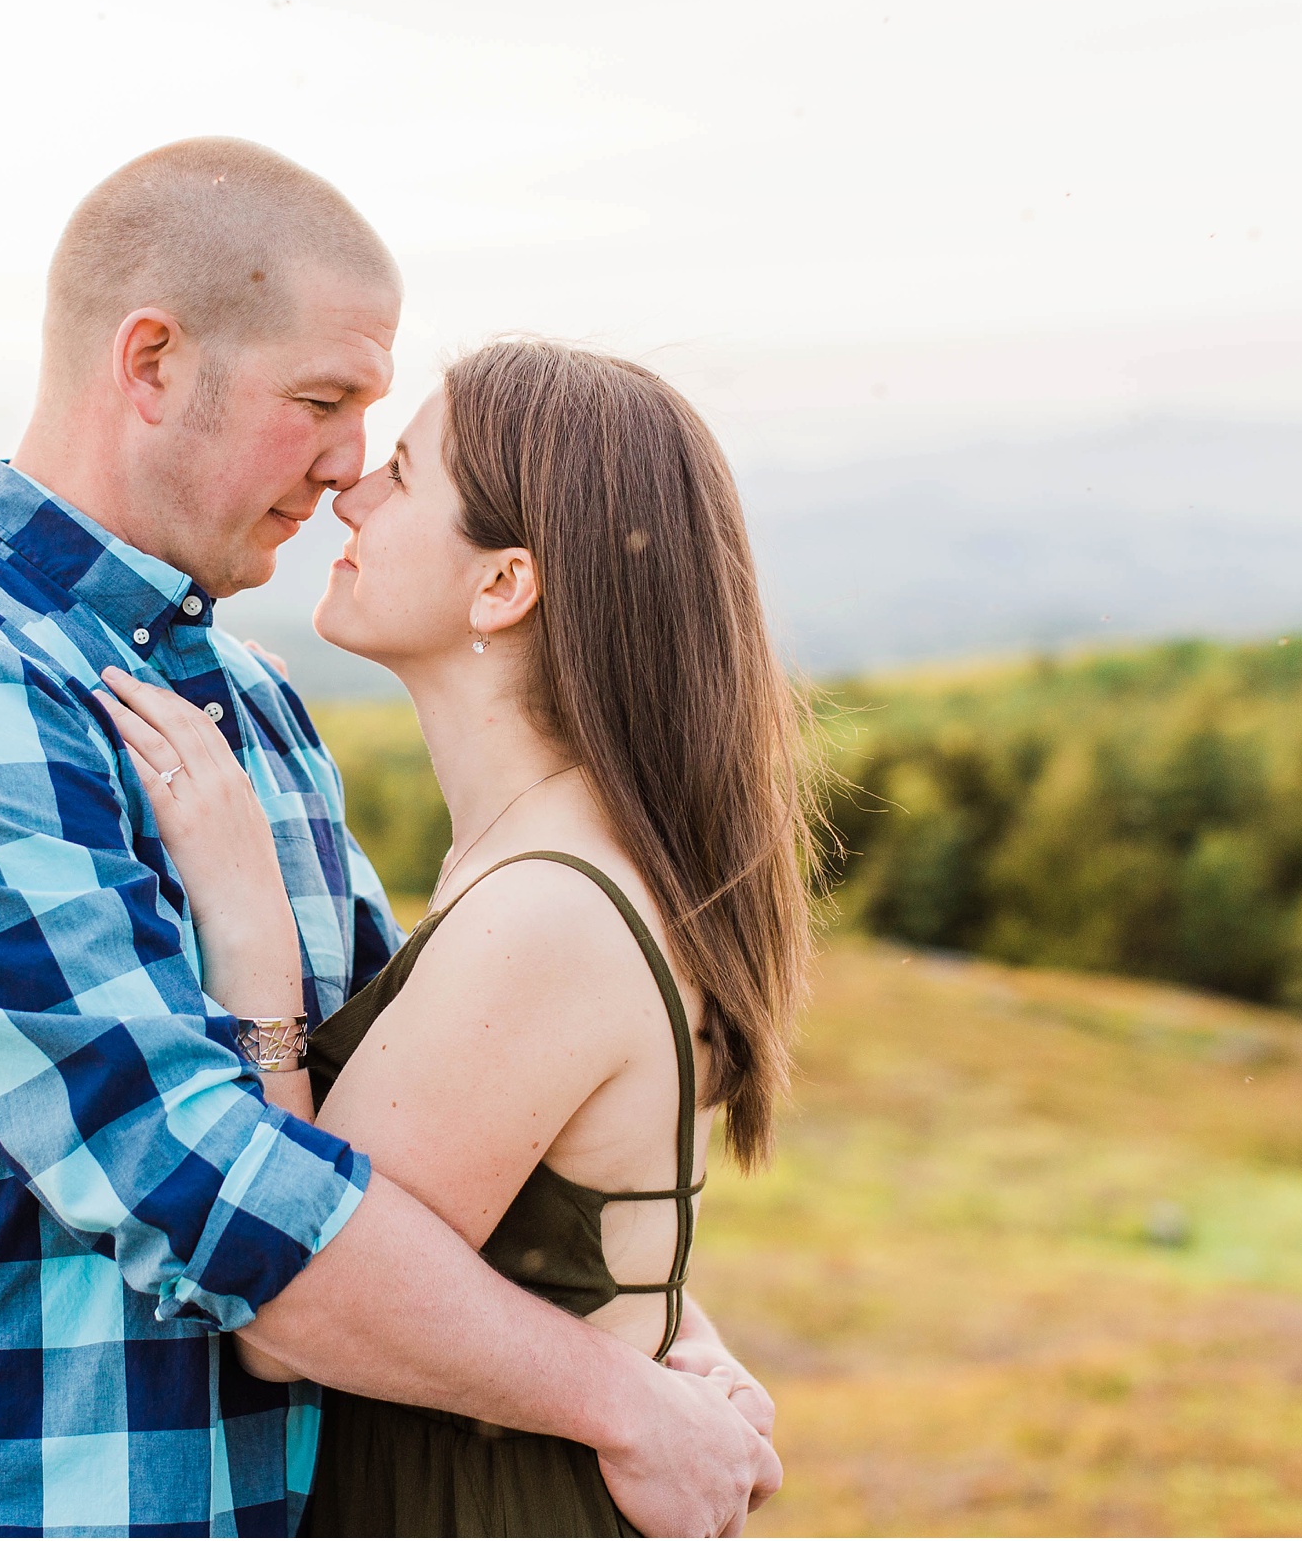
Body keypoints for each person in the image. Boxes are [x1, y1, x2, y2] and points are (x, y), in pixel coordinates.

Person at [0, 138, 780, 1538]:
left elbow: (404, 1151)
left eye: (378, 425)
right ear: (152, 364)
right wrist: (626, 1396)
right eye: (325, 401)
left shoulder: (250, 707)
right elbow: (206, 1184)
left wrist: (644, 1305)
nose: (350, 467)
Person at [97, 336, 818, 1535]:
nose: (350, 489)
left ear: (502, 587)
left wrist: (250, 944)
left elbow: (296, 1312)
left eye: (405, 473)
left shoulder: (548, 911)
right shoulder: (550, 863)